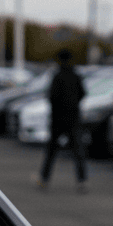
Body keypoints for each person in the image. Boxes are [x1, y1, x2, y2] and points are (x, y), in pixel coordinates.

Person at [34, 48, 88, 192]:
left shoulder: (57, 76)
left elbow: (52, 96)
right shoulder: (76, 75)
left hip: (58, 119)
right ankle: (81, 181)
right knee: (77, 150)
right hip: (73, 118)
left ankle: (44, 179)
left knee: (51, 151)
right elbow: (83, 93)